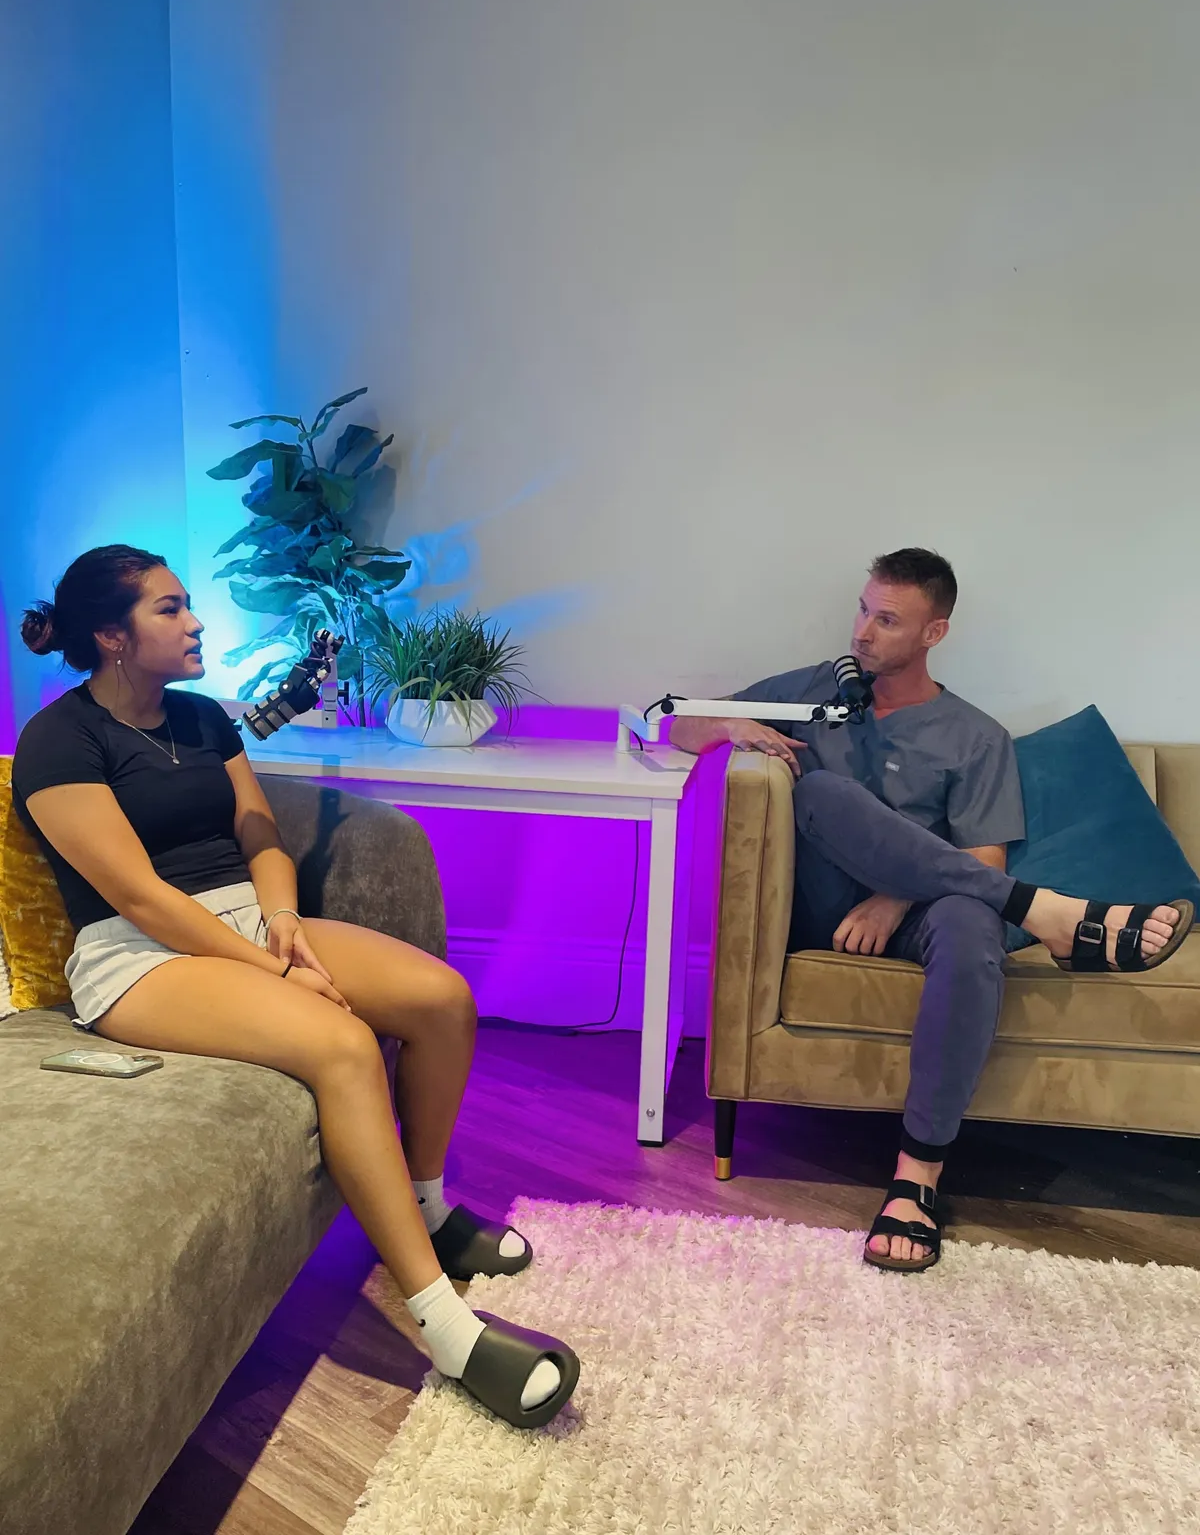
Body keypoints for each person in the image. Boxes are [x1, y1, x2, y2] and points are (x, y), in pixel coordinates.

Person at [12, 544, 578, 1428]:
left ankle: (428, 1207)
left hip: (245, 922)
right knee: (344, 1046)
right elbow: (139, 897)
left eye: (188, 603)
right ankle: (447, 1330)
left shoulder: (203, 718)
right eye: (169, 609)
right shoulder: (59, 740)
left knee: (442, 1000)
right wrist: (276, 971)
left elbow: (258, 831)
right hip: (139, 956)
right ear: (112, 637)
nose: (196, 622)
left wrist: (281, 921)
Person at [669, 548, 1192, 1274]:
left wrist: (896, 897)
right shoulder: (815, 691)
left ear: (933, 633)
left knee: (975, 922)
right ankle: (1049, 915)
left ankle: (916, 1182)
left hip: (919, 917)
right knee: (821, 792)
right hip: (821, 907)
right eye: (863, 609)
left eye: (887, 620)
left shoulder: (975, 736)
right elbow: (673, 722)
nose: (863, 631)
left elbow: (983, 864)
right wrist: (732, 730)